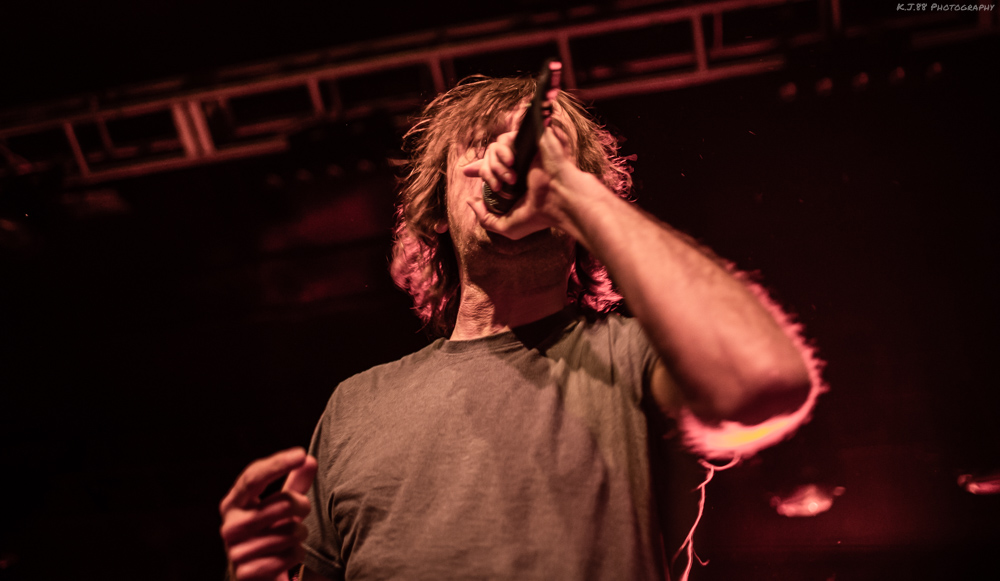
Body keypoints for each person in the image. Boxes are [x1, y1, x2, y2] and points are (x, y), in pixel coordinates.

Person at [219, 76, 824, 581]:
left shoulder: (632, 357)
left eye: (540, 148)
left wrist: (568, 186)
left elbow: (763, 382)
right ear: (437, 208)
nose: (516, 162)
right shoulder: (355, 406)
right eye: (485, 145)